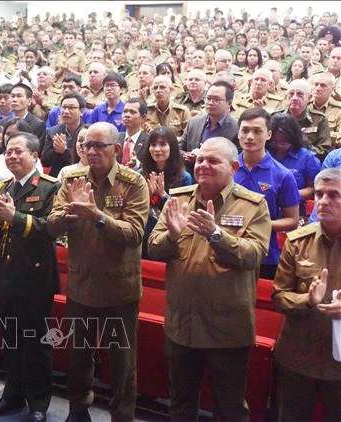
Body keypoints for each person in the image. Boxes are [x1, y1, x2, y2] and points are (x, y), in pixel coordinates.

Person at [148, 137, 271, 421]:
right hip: (183, 324)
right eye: (200, 159)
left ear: (234, 166)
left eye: (213, 161)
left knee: (229, 407)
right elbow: (153, 248)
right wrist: (172, 235)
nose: (203, 165)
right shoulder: (177, 199)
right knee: (180, 402)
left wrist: (216, 235)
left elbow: (253, 255)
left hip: (226, 328)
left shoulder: (253, 206)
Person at [47, 122, 149, 421]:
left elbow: (134, 234)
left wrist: (97, 216)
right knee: (79, 358)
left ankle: (122, 416)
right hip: (82, 286)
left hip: (120, 290)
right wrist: (69, 212)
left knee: (122, 363)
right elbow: (51, 227)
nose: (90, 151)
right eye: (86, 145)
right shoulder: (70, 178)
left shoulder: (133, 183)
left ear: (116, 149)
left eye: (98, 146)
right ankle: (77, 410)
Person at [0, 131, 61, 422]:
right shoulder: (3, 186)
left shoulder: (51, 188)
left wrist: (13, 218)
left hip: (35, 278)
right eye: (8, 152)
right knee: (10, 339)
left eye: (18, 152)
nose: (12, 156)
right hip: (5, 274)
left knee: (36, 342)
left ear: (35, 156)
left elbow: (50, 229)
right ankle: (12, 393)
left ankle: (38, 402)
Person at [272, 167, 341, 422]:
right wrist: (308, 301)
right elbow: (279, 297)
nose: (323, 201)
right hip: (298, 356)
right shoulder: (298, 241)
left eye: (334, 195)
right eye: (320, 193)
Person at [234, 107, 300, 279]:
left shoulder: (283, 175)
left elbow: (292, 220)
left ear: (268, 135)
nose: (250, 136)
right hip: (225, 250)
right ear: (238, 133)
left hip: (264, 256)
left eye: (257, 131)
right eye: (245, 130)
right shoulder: (225, 168)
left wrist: (256, 225)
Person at [139, 127, 193, 259]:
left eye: (163, 144)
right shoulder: (141, 174)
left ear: (172, 147)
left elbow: (183, 213)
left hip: (168, 236)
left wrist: (163, 196)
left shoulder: (184, 177)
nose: (157, 149)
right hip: (143, 234)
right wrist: (146, 197)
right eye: (153, 145)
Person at [267, 113, 322, 219]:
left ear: (293, 139)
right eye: (274, 142)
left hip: (297, 212)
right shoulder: (265, 153)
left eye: (284, 143)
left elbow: (314, 188)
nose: (279, 146)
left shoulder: (307, 157)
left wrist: (288, 194)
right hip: (267, 211)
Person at [180, 81, 239, 175]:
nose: (211, 103)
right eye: (208, 98)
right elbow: (179, 149)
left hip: (220, 179)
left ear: (229, 103)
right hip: (192, 176)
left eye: (216, 99)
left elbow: (237, 159)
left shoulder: (236, 128)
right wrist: (189, 155)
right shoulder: (194, 123)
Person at [0, 118, 43, 187]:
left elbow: (38, 187)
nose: (11, 137)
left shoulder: (32, 159)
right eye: (8, 134)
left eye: (16, 134)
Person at [42, 92, 86, 177]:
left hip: (81, 175)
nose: (66, 111)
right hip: (57, 177)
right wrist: (56, 151)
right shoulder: (53, 132)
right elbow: (45, 162)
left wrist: (64, 151)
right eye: (64, 107)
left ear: (82, 111)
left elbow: (84, 160)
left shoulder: (87, 132)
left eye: (71, 108)